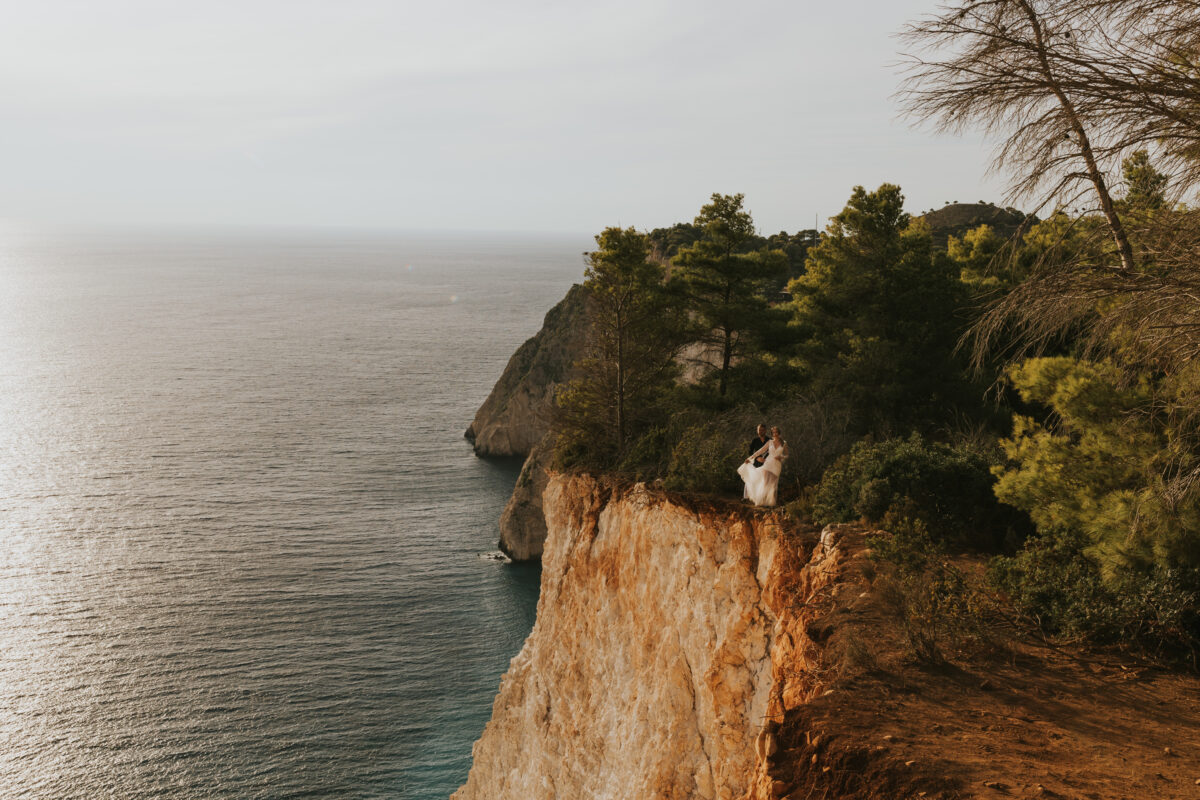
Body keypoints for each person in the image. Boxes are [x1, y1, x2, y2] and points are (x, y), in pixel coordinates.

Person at [738, 426, 788, 507]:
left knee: (773, 484)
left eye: (776, 432)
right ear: (772, 434)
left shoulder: (784, 443)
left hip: (777, 465)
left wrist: (781, 457)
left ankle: (771, 504)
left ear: (779, 433)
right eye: (774, 432)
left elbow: (787, 455)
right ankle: (761, 502)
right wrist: (750, 458)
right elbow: (760, 451)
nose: (775, 434)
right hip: (768, 463)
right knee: (765, 483)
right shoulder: (770, 442)